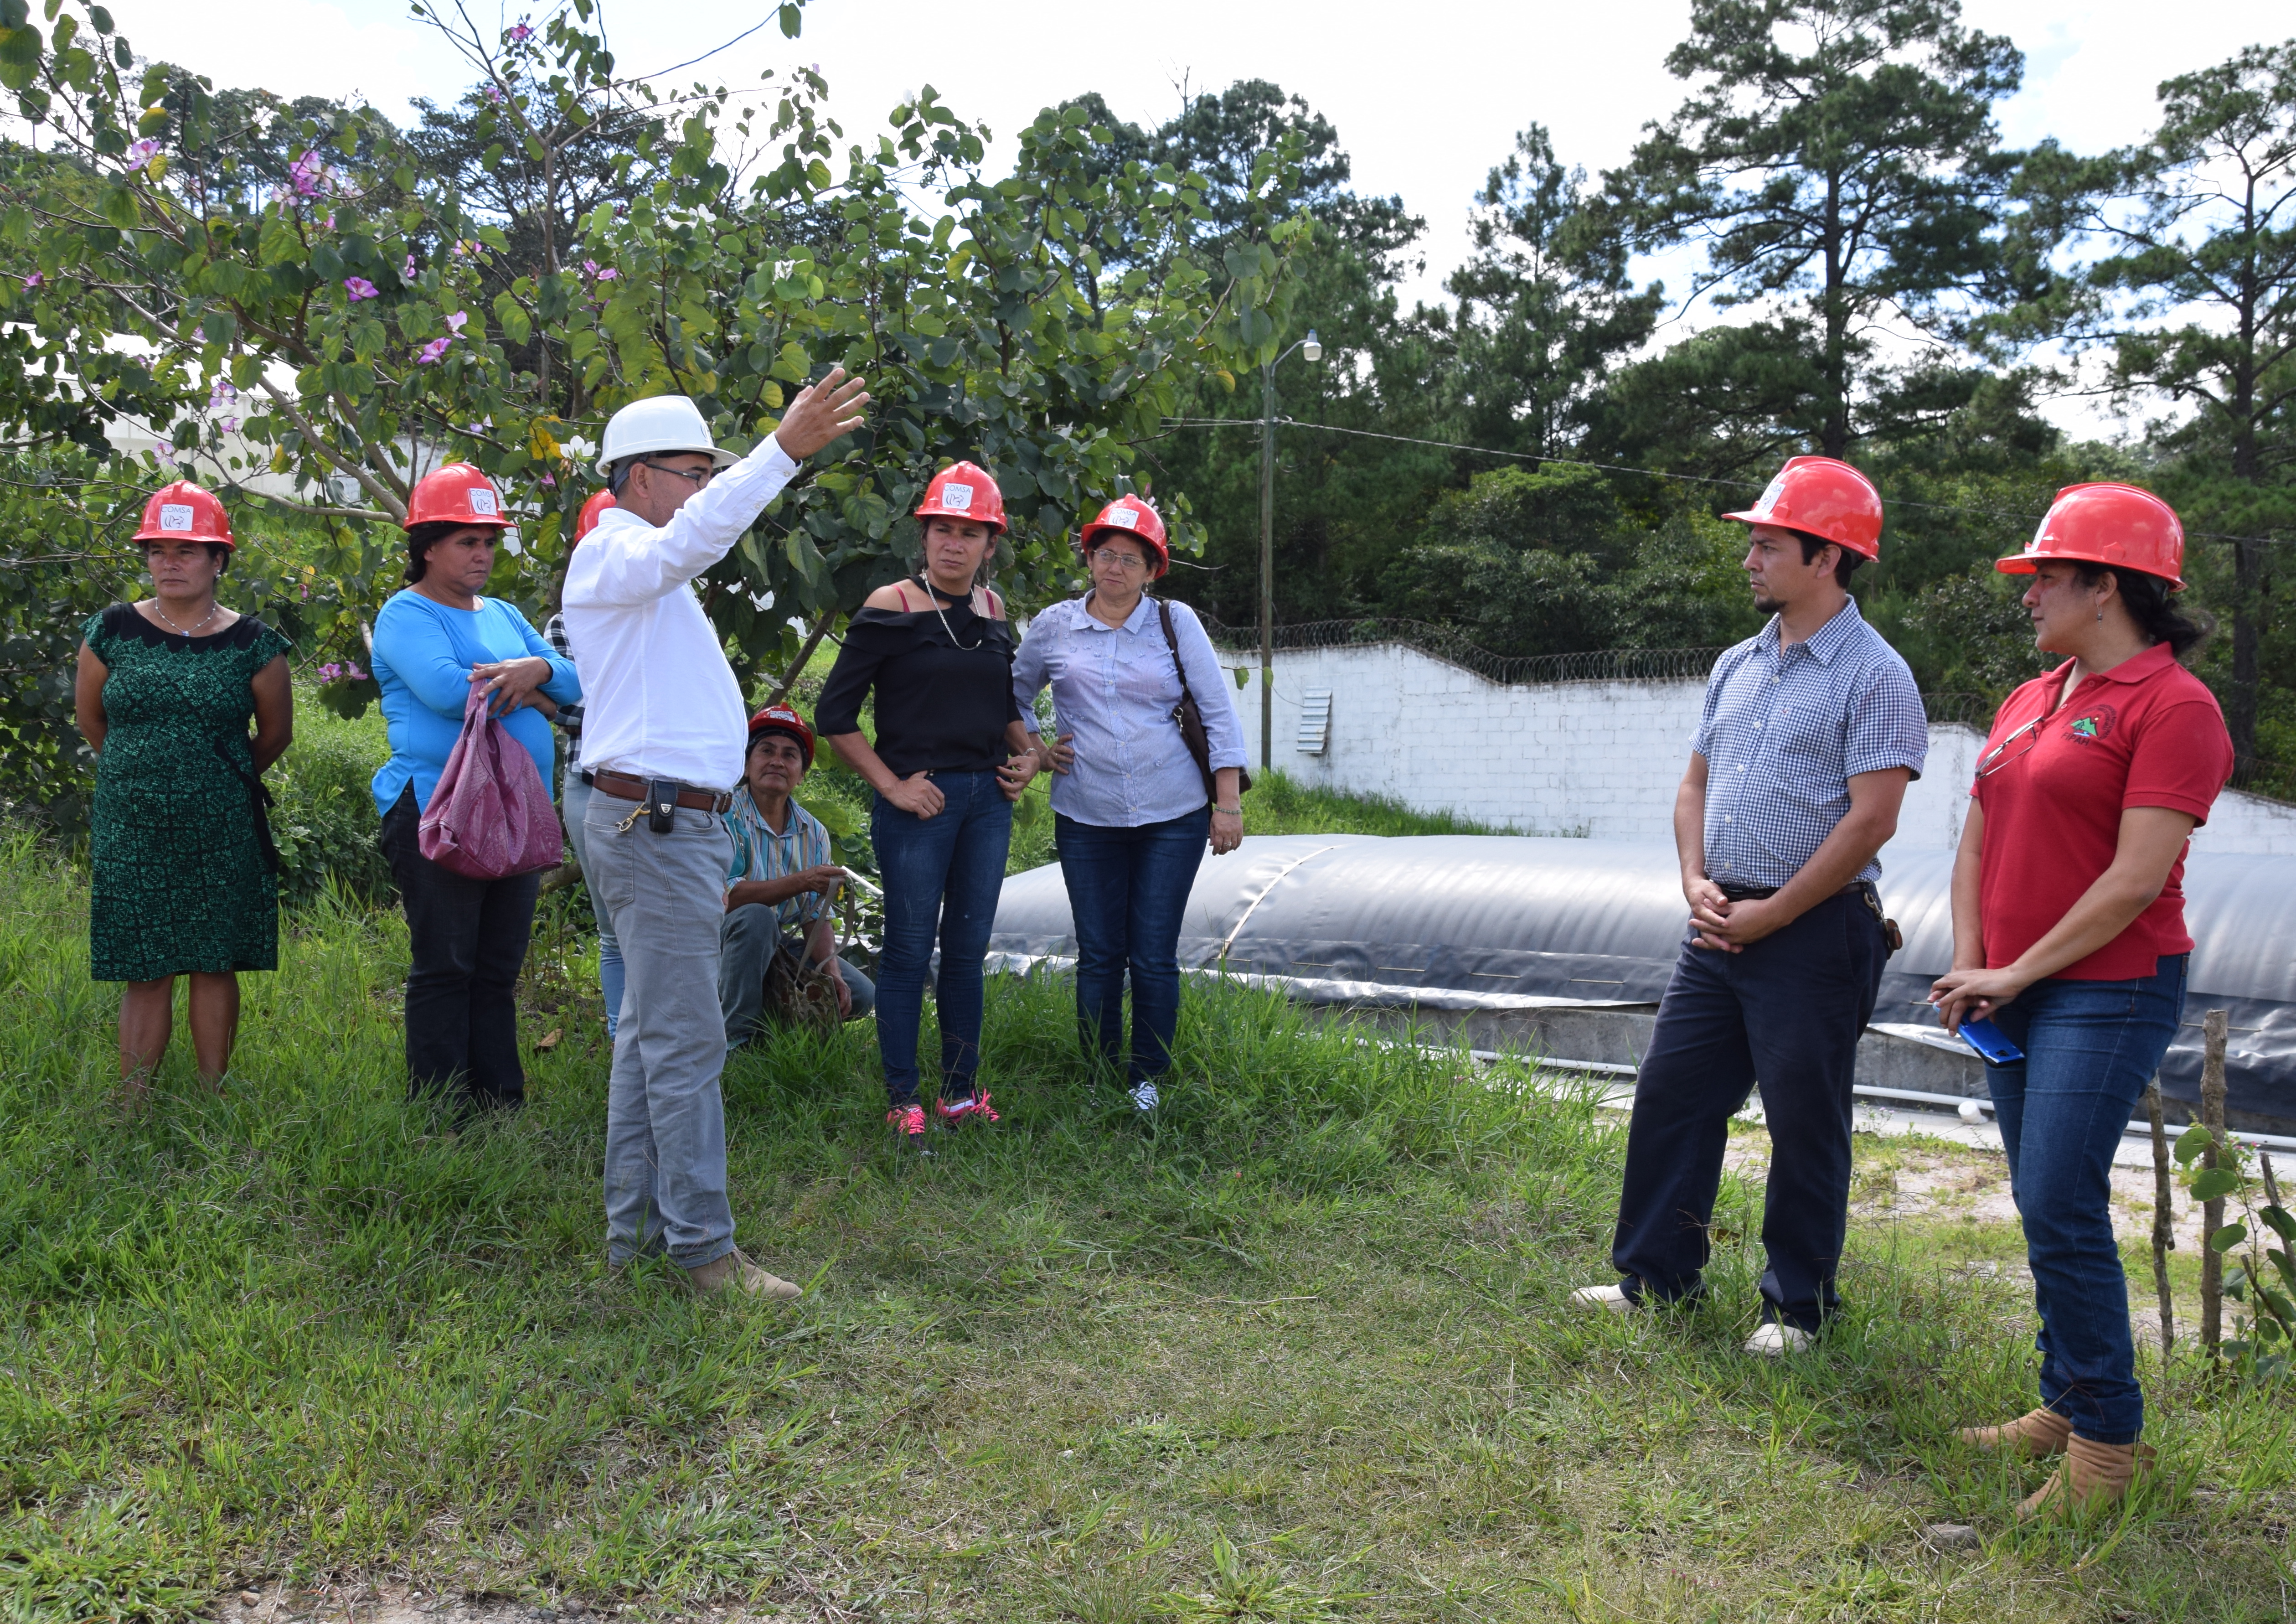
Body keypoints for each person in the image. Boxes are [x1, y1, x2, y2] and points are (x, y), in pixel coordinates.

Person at [1569, 455, 1929, 1354]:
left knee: (1805, 1118)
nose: (1748, 559)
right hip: (1716, 921)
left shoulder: (1873, 674)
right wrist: (1694, 879)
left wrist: (1777, 912)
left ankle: (1796, 1307)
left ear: (1827, 557)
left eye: (1767, 544)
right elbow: (1693, 785)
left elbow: (1871, 818)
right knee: (1672, 1095)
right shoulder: (1736, 664)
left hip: (1814, 929)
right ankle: (1656, 1277)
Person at [1930, 483, 2229, 1518]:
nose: (2028, 593)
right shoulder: (2028, 698)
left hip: (2107, 987)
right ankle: (2062, 1397)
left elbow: (2133, 879)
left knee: (2057, 1195)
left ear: (2106, 586)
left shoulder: (2173, 705)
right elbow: (1974, 838)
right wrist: (1973, 963)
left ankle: (2106, 1443)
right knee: (2040, 1195)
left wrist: (2012, 973)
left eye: (2045, 576)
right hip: (2008, 984)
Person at [565, 376, 867, 1297]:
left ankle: (639, 1244)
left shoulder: (640, 568)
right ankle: (703, 1255)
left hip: (665, 820)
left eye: (709, 473)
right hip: (652, 823)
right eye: (693, 473)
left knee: (651, 1039)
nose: (701, 490)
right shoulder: (615, 554)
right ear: (637, 477)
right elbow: (690, 543)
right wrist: (782, 451)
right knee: (687, 1042)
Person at [817, 462, 1041, 1151]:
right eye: (942, 529)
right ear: (925, 535)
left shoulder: (995, 611)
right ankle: (901, 1099)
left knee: (968, 953)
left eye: (968, 533)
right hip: (921, 802)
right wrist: (891, 786)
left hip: (986, 801)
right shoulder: (893, 605)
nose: (953, 544)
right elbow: (834, 713)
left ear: (989, 544)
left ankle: (962, 1094)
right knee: (911, 952)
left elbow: (1001, 703)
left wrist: (1028, 753)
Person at [1011, 496, 1247, 1113]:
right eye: (1106, 554)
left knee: (1150, 950)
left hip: (1173, 813)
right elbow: (1012, 690)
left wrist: (1227, 804)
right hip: (1086, 816)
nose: (1115, 567)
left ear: (1151, 570)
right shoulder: (1054, 625)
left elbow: (1217, 710)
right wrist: (1035, 748)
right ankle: (1096, 1074)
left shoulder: (1176, 623)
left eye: (1131, 559)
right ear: (1089, 558)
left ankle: (1148, 1079)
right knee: (1098, 953)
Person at [371, 463, 581, 1114]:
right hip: (440, 806)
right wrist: (528, 684)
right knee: (445, 963)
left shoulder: (503, 613)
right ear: (427, 545)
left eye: (489, 541)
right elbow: (444, 690)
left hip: (513, 810)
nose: (483, 554)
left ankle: (499, 1100)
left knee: (497, 965)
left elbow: (577, 681)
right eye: (467, 541)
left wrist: (539, 665)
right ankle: (439, 1105)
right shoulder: (406, 613)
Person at [74, 481, 292, 1100]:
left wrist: (206, 778)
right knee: (145, 964)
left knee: (213, 959)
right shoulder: (111, 630)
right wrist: (144, 773)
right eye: (157, 550)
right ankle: (132, 1099)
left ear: (219, 560)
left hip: (221, 823)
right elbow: (94, 723)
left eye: (187, 551)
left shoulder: (254, 643)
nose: (169, 563)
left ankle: (212, 1095)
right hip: (131, 821)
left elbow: (274, 736)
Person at [719, 703, 877, 1045]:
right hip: (718, 941)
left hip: (776, 942)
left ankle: (771, 1023)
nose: (777, 761)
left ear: (802, 773)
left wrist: (831, 973)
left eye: (790, 755)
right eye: (766, 751)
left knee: (860, 995)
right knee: (756, 919)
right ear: (747, 765)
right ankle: (734, 1040)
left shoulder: (814, 831)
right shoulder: (726, 814)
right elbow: (729, 899)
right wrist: (802, 881)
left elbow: (815, 913)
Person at [545, 489, 625, 1039]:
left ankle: (654, 1036)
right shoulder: (563, 625)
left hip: (657, 791)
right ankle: (625, 1036)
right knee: (614, 928)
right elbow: (572, 712)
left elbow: (576, 704)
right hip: (590, 785)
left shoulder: (665, 614)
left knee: (653, 926)